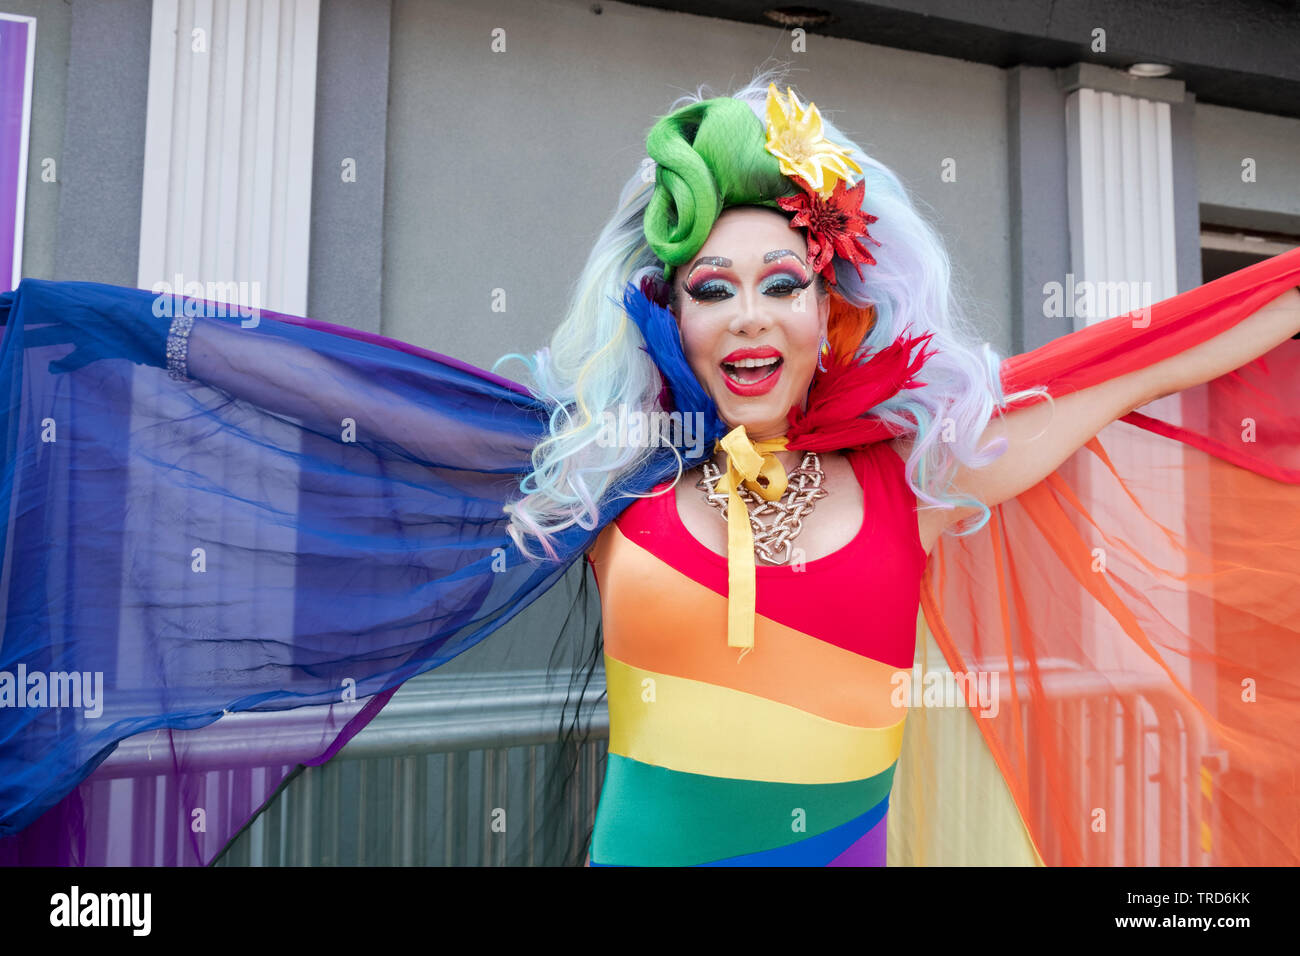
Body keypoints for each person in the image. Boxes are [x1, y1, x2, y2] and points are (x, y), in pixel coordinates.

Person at [1, 68, 1298, 866]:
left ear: (835, 305)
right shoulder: (605, 469)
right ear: (665, 312)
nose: (748, 318)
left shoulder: (928, 466)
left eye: (782, 284)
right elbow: (361, 403)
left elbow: (1151, 360)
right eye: (711, 288)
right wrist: (136, 332)